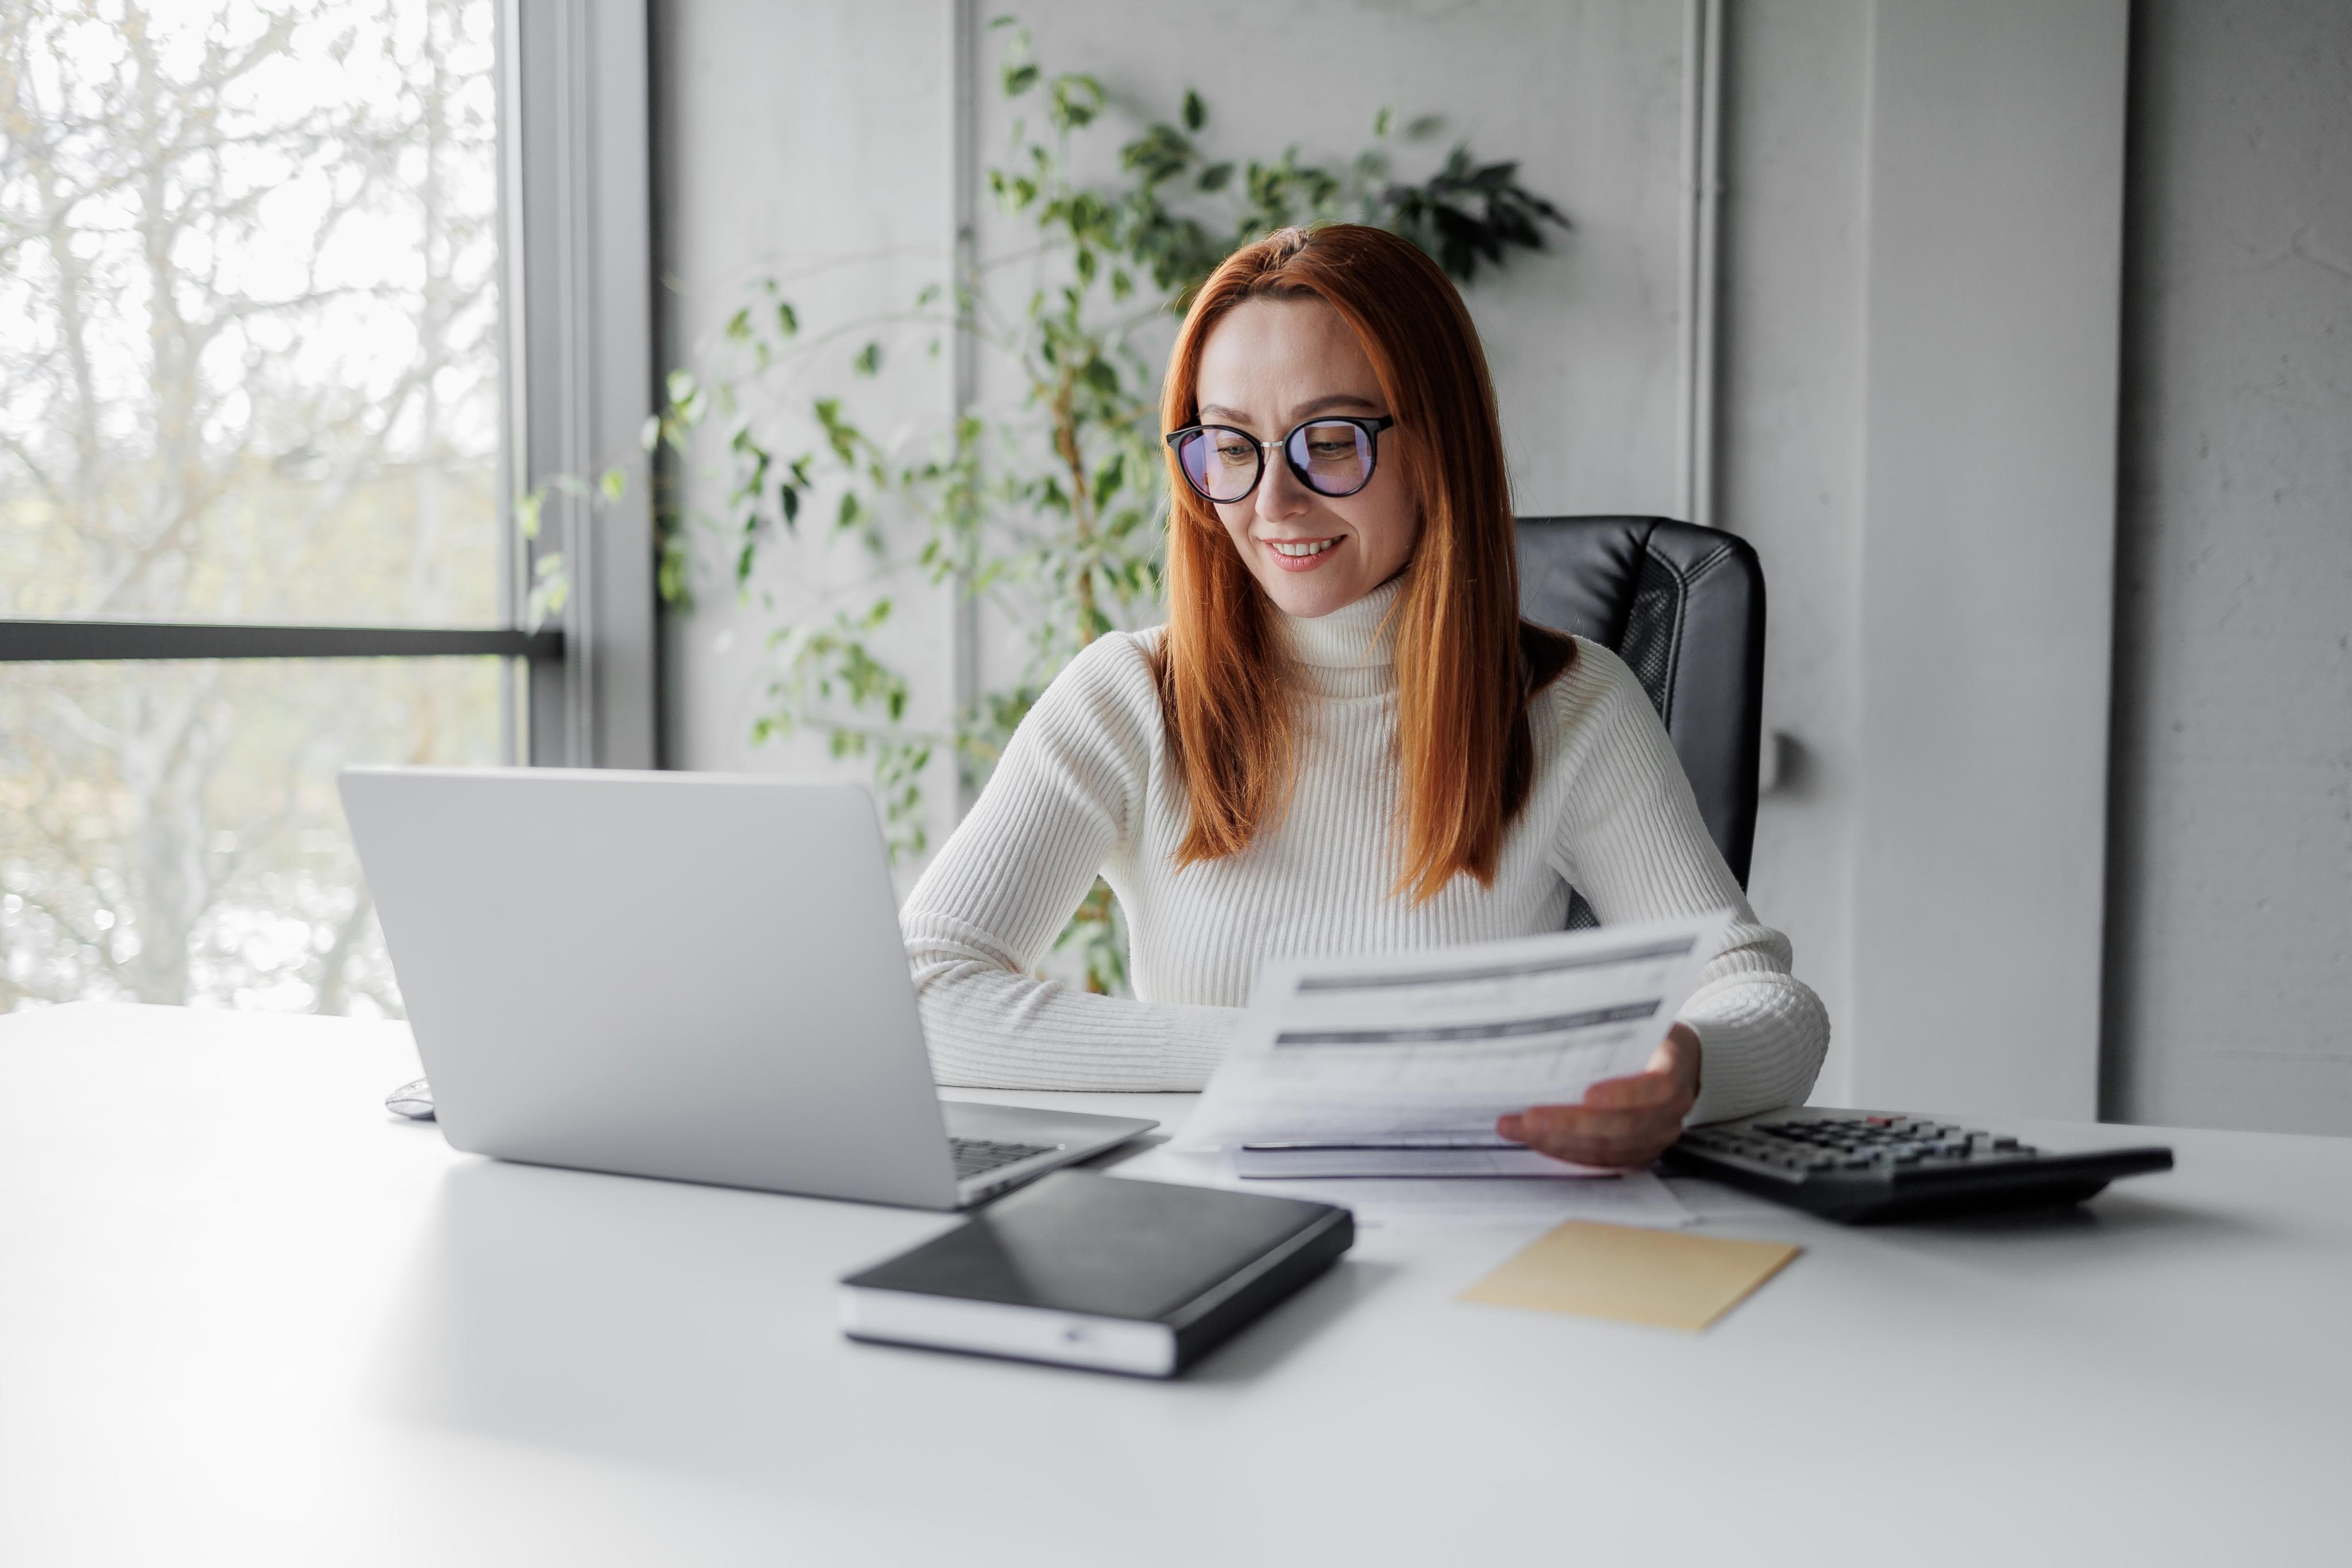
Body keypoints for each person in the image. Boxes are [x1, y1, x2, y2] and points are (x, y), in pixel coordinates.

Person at [901, 223, 1827, 1169]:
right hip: (1208, 1229)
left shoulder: (1569, 706)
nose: (1271, 505)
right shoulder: (1127, 697)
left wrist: (1687, 1067)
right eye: (1229, 446)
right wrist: (1330, 1053)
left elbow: (1763, 1000)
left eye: (1331, 442)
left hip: (1479, 1245)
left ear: (1438, 444)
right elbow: (921, 994)